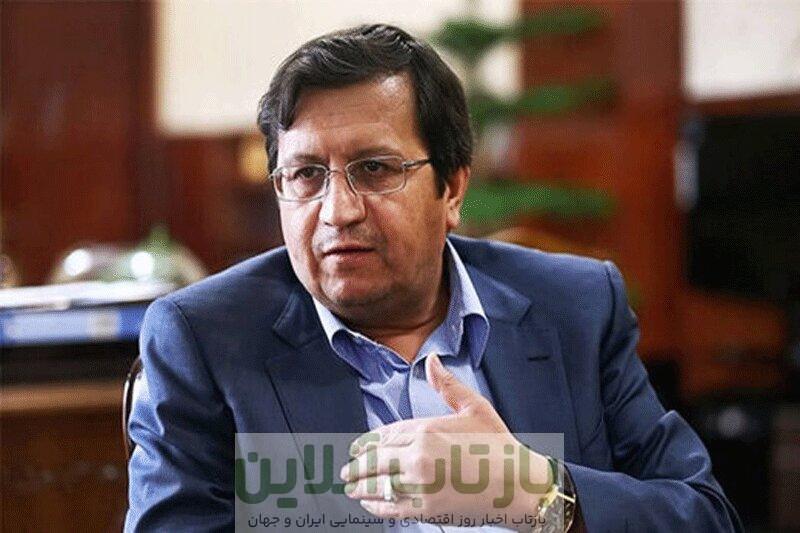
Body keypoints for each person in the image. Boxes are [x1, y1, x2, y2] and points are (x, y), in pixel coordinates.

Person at [125, 24, 742, 532]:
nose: (337, 211)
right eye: (306, 174)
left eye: (375, 168)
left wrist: (537, 494)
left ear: (452, 188)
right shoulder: (209, 340)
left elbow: (704, 516)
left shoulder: (574, 309)